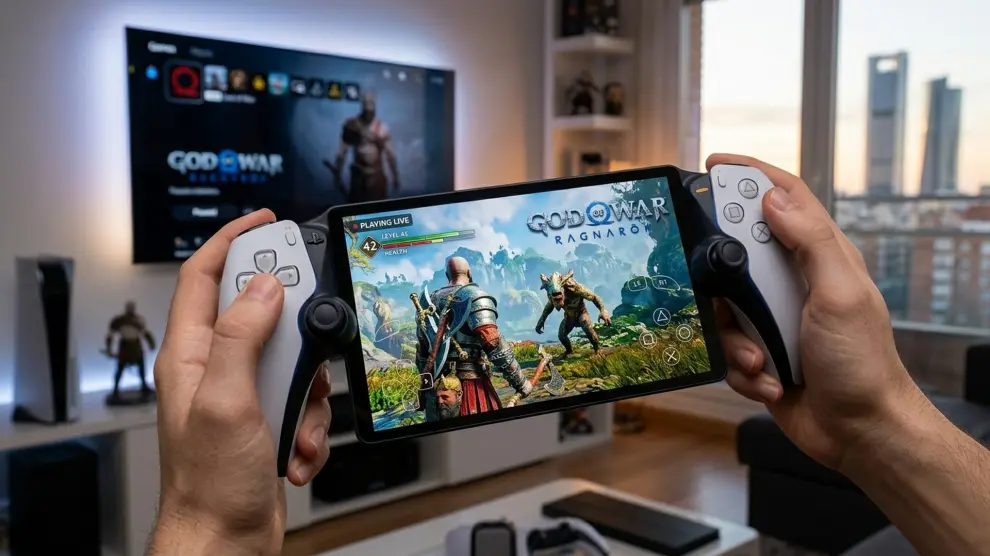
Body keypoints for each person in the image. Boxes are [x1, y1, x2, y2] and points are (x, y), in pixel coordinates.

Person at [147, 156, 990, 556]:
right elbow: (485, 334)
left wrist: (209, 528)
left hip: (500, 356)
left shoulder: (498, 294)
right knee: (483, 377)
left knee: (507, 369)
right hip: (471, 366)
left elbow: (500, 330)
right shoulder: (467, 298)